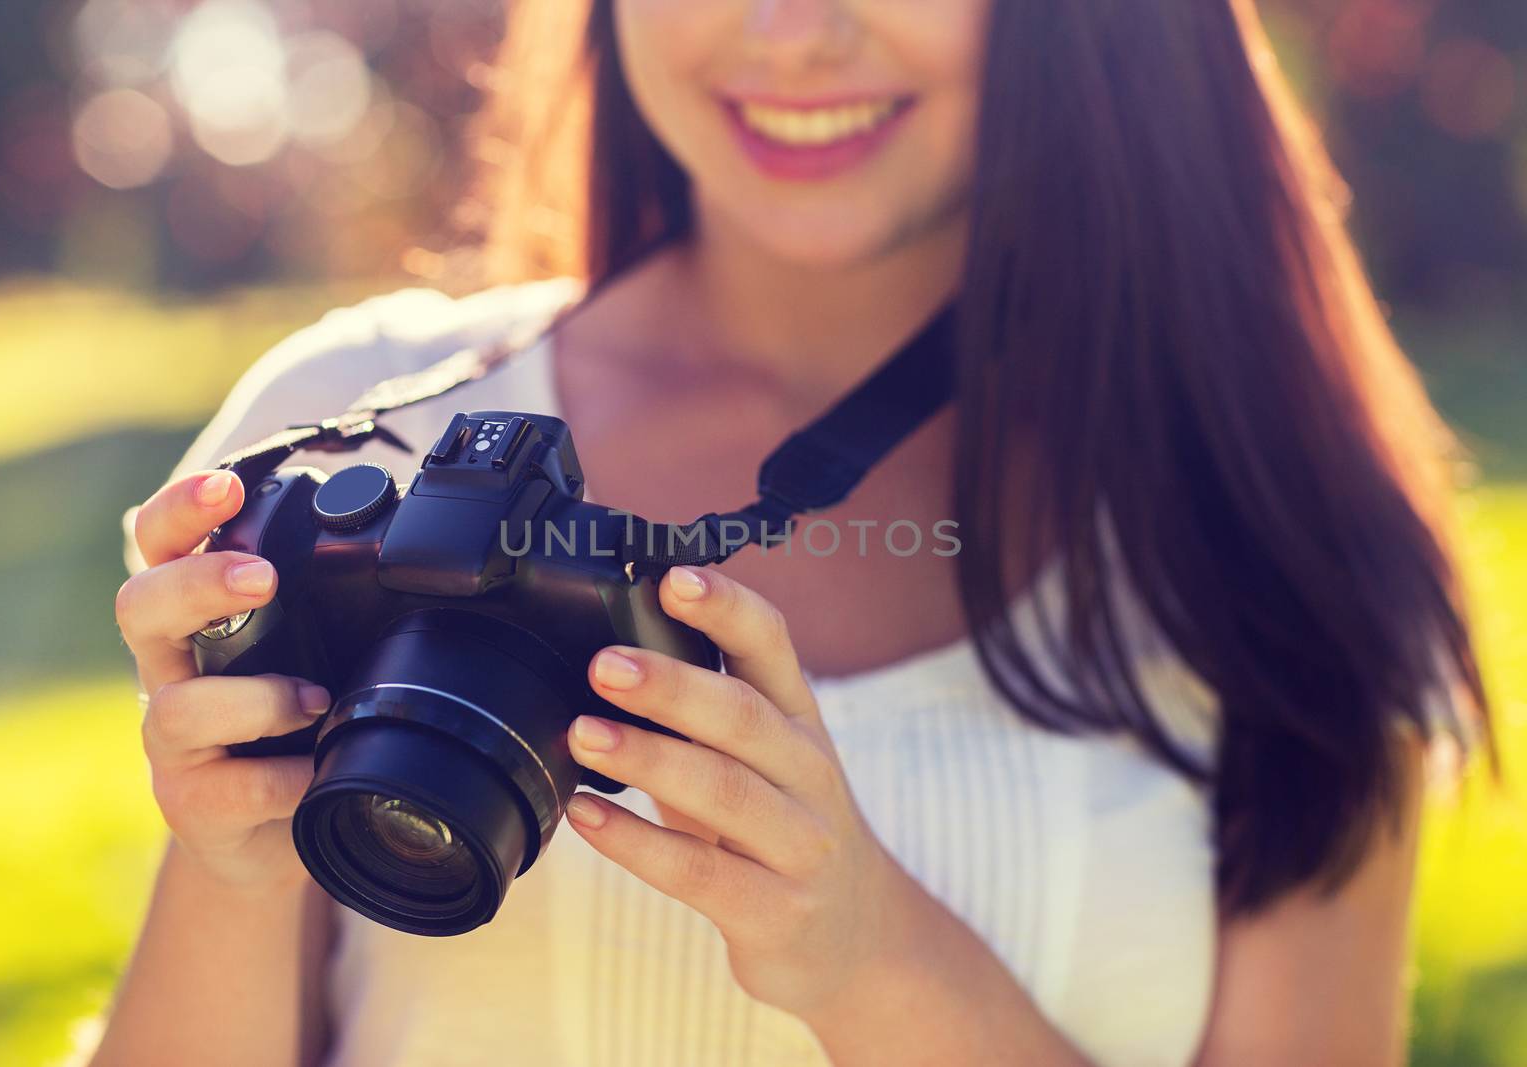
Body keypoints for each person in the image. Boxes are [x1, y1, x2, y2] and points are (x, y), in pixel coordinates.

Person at [97, 1, 1490, 1064]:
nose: (792, 34)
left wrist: (871, 959)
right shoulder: (350, 424)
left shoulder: (1274, 531)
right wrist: (233, 866)